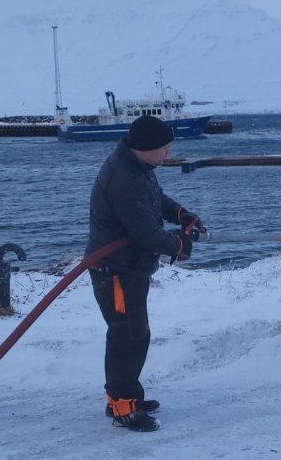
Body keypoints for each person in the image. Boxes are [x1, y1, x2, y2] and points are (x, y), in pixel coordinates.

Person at [87, 114, 206, 431]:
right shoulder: (125, 180)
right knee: (130, 336)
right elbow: (146, 233)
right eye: (165, 148)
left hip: (127, 267)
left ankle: (123, 398)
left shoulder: (137, 167)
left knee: (127, 333)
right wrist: (180, 245)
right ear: (147, 147)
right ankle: (125, 407)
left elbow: (154, 200)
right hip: (116, 270)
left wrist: (181, 214)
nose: (168, 153)